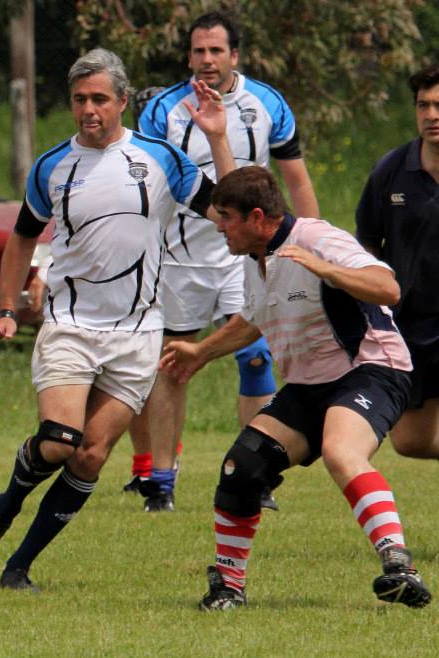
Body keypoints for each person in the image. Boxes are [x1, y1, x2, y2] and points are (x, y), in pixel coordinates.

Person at [0, 48, 232, 591]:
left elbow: (228, 202)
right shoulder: (52, 165)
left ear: (123, 102)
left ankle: (19, 567)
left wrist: (218, 138)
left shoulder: (161, 160)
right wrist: (8, 310)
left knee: (90, 456)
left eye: (100, 99)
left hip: (137, 334)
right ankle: (5, 504)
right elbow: (20, 239)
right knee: (60, 439)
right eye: (80, 99)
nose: (89, 109)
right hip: (70, 324)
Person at [160, 166, 431, 610]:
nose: (218, 225)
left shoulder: (316, 239)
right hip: (308, 383)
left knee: (342, 450)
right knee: (242, 466)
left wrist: (327, 269)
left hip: (371, 368)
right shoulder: (253, 258)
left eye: (226, 216)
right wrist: (201, 352)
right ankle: (229, 587)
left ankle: (399, 565)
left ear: (258, 217)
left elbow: (388, 288)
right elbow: (252, 320)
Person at [128, 11, 321, 511]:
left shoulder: (267, 104)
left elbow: (295, 178)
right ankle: (162, 483)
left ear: (235, 55)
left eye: (216, 51)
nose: (207, 60)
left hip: (247, 257)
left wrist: (312, 241)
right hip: (181, 258)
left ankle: (257, 475)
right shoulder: (163, 110)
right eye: (198, 51)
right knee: (173, 364)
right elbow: (150, 183)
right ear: (188, 56)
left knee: (255, 357)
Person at [355, 65, 439, 462]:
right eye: (423, 105)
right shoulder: (392, 169)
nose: (431, 115)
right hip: (411, 325)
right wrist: (373, 307)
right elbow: (367, 244)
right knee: (411, 442)